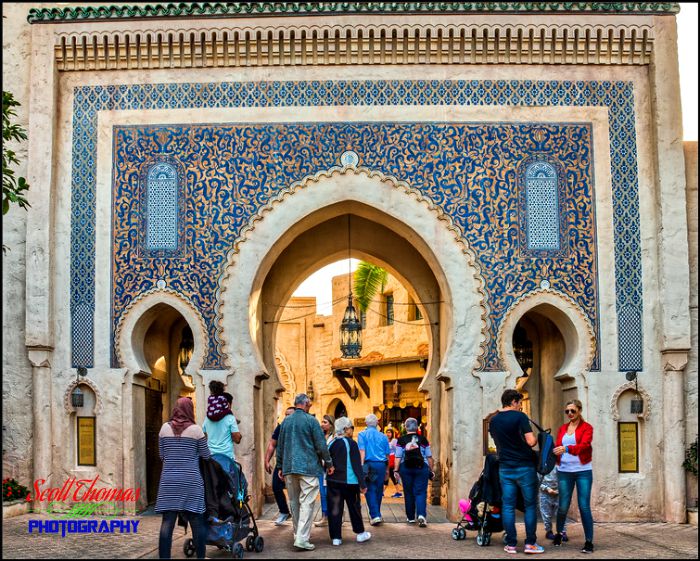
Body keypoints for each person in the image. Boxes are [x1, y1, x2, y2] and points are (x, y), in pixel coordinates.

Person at [488, 389, 544, 554]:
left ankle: (511, 544)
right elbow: (531, 441)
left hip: (505, 468)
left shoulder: (494, 420)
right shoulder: (520, 417)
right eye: (519, 402)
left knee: (508, 506)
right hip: (525, 467)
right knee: (530, 505)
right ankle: (530, 544)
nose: (520, 406)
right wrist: (537, 438)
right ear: (513, 401)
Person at [276, 394, 334, 551]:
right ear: (306, 404)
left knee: (294, 502)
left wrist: (280, 466)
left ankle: (298, 534)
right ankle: (302, 538)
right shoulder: (311, 421)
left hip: (289, 467)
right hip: (308, 467)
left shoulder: (286, 421)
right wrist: (329, 463)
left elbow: (279, 446)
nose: (310, 407)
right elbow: (321, 445)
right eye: (309, 404)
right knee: (307, 503)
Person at [155, 397, 210, 559]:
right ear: (190, 410)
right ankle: (200, 557)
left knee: (167, 523)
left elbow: (162, 455)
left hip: (168, 482)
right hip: (191, 483)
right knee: (197, 523)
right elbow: (206, 456)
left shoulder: (164, 429)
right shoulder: (196, 430)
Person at [552, 399, 594, 554]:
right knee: (563, 506)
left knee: (584, 506)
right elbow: (558, 446)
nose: (569, 414)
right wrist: (555, 450)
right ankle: (559, 534)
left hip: (583, 471)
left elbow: (585, 445)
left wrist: (566, 449)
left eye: (573, 411)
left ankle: (589, 541)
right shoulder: (563, 428)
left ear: (579, 410)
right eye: (567, 411)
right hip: (564, 471)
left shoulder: (587, 428)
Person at [326, 417, 372, 546]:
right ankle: (360, 533)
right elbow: (357, 465)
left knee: (334, 508)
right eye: (352, 427)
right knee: (354, 508)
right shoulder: (351, 443)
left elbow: (326, 461)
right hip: (350, 482)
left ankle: (336, 538)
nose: (352, 430)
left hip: (333, 481)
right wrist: (363, 484)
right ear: (346, 429)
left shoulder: (331, 443)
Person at [394, 417, 433, 527]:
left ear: (405, 427)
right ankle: (421, 515)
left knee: (408, 492)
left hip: (405, 468)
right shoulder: (423, 439)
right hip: (421, 467)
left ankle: (410, 517)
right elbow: (429, 456)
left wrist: (396, 470)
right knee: (420, 492)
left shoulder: (401, 440)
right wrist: (431, 469)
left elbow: (398, 456)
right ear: (416, 427)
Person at [264, 406, 296, 526]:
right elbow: (272, 444)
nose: (287, 417)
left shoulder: (299, 428)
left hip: (295, 464)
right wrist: (267, 461)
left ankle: (298, 517)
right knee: (276, 486)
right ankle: (284, 511)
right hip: (281, 464)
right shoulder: (280, 427)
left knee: (296, 491)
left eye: (290, 415)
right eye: (285, 415)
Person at [357, 413, 390, 525]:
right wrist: (387, 470)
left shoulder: (362, 434)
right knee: (379, 489)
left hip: (369, 464)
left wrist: (361, 467)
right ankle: (377, 514)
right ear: (377, 423)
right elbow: (387, 456)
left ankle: (375, 515)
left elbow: (362, 452)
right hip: (381, 465)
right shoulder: (384, 436)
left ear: (366, 423)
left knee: (369, 489)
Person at [202, 381, 241, 459]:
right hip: (227, 458)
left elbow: (204, 438)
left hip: (211, 458)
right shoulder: (230, 418)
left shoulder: (207, 418)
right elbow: (237, 439)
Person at [314, 414, 335, 527]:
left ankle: (336, 516)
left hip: (331, 470)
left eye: (325, 422)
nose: (322, 424)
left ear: (331, 425)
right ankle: (325, 516)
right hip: (321, 469)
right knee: (323, 493)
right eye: (322, 422)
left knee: (332, 493)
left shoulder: (335, 438)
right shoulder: (319, 436)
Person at [539, 466, 567, 541]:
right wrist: (547, 488)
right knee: (546, 514)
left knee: (561, 513)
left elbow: (565, 478)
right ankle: (549, 531)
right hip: (545, 493)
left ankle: (562, 531)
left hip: (559, 492)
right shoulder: (542, 465)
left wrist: (561, 489)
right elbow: (537, 481)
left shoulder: (560, 464)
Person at [384, 427, 402, 498]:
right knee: (388, 475)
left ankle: (398, 491)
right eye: (387, 432)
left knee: (391, 474)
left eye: (389, 432)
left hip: (392, 459)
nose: (388, 434)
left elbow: (397, 450)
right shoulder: (385, 440)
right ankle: (397, 491)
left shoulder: (394, 441)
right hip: (386, 459)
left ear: (392, 433)